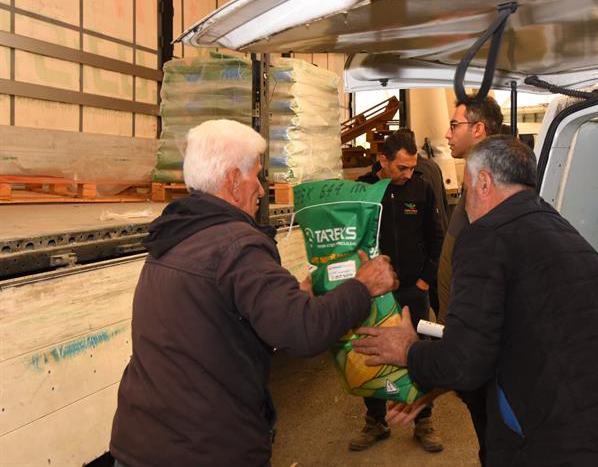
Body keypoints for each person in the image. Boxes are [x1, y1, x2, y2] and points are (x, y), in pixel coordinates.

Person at [353, 136, 598, 466]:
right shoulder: (559, 229)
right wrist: (434, 384)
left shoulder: (485, 235)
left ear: (484, 183)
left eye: (467, 190)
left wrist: (407, 350)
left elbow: (465, 362)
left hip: (589, 449)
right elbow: (514, 341)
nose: (466, 203)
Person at [110, 119, 399, 467]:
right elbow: (302, 332)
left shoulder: (172, 237)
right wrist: (363, 286)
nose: (261, 190)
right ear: (234, 180)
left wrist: (290, 298)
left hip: (139, 442)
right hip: (204, 451)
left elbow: (216, 317)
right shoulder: (236, 244)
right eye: (257, 176)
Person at [351, 128, 445, 453]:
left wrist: (424, 281)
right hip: (374, 293)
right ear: (383, 160)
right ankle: (375, 421)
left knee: (418, 354)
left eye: (412, 166)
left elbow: (436, 237)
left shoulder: (421, 187)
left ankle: (424, 421)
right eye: (402, 167)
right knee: (372, 353)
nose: (408, 173)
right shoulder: (363, 189)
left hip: (412, 291)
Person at [437, 95, 504, 465]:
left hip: (480, 342)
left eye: (454, 125)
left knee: (495, 438)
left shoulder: (492, 182)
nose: (447, 134)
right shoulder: (473, 178)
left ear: (478, 129)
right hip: (464, 333)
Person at [401, 130, 448, 316]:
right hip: (439, 234)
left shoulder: (415, 174)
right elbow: (443, 201)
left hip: (427, 248)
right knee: (440, 299)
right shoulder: (433, 166)